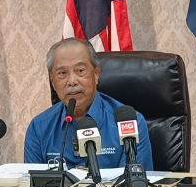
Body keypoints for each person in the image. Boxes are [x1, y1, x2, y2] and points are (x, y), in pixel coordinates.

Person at [24, 38, 153, 170]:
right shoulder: (39, 128)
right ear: (52, 81)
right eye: (62, 73)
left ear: (96, 74)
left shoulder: (130, 123)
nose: (72, 81)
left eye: (80, 71)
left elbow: (135, 183)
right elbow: (33, 186)